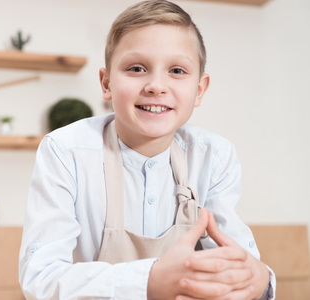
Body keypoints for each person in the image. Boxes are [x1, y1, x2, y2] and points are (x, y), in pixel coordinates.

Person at [19, 1, 276, 299]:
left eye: (177, 70)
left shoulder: (213, 157)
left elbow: (235, 262)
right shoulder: (65, 152)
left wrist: (257, 280)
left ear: (200, 90)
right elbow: (42, 278)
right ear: (106, 83)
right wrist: (150, 280)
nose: (156, 85)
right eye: (136, 68)